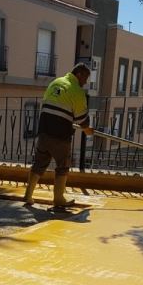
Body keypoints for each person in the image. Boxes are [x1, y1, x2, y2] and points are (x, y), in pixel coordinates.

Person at [23, 62, 94, 207]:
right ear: (78, 74)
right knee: (63, 165)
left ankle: (28, 195)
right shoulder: (77, 91)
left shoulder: (55, 83)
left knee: (39, 164)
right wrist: (87, 130)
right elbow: (82, 119)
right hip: (60, 135)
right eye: (85, 78)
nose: (85, 82)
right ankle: (59, 199)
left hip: (44, 131)